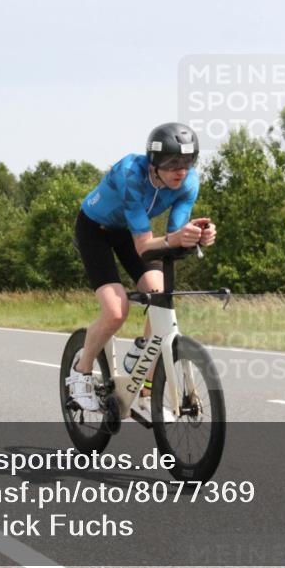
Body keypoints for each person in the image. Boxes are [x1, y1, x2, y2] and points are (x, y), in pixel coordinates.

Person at [67, 122, 216, 417]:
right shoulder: (131, 175)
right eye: (172, 163)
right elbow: (145, 246)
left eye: (187, 162)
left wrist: (197, 237)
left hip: (129, 232)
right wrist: (177, 238)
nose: (180, 171)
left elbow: (172, 238)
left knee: (159, 292)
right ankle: (80, 373)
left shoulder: (189, 182)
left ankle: (144, 376)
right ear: (154, 162)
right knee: (116, 311)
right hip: (95, 229)